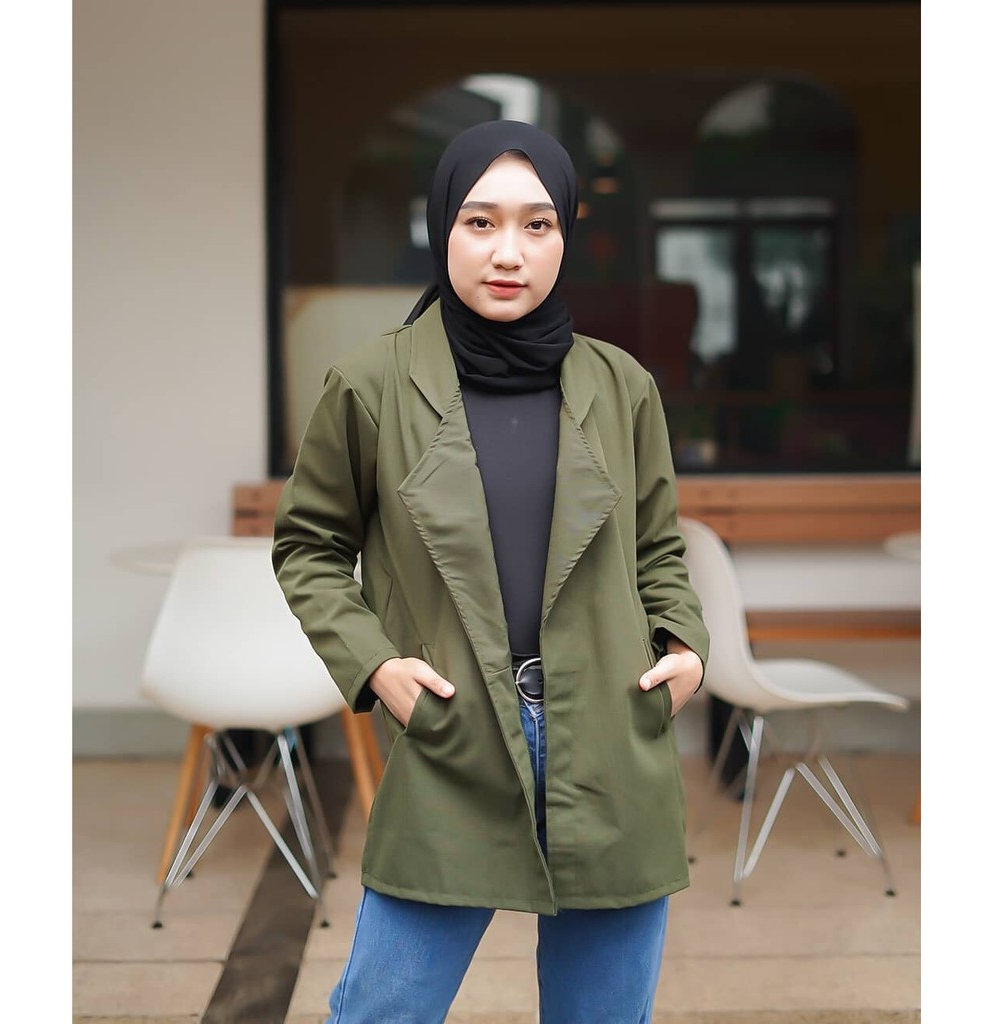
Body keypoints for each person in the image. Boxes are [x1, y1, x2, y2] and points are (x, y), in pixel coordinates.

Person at [272, 120, 710, 1024]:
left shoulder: (621, 385)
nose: (509, 252)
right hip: (454, 728)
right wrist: (376, 666)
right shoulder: (371, 384)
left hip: (611, 731)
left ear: (565, 236)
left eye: (537, 225)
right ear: (442, 227)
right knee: (383, 1011)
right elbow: (309, 546)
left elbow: (659, 549)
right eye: (481, 222)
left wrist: (685, 647)